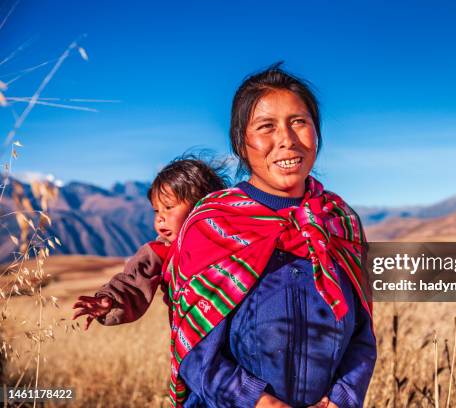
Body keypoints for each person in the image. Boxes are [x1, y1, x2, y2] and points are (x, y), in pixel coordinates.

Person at [167, 64, 377, 408]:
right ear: (241, 142)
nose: (287, 140)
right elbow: (194, 348)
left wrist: (341, 399)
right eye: (266, 126)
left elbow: (362, 338)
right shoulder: (213, 224)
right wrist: (258, 401)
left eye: (299, 122)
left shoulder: (339, 222)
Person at [72, 157, 226, 329]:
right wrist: (110, 300)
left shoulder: (233, 238)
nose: (160, 217)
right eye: (156, 210)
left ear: (202, 205)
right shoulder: (161, 250)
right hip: (193, 337)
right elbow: (133, 281)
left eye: (168, 207)